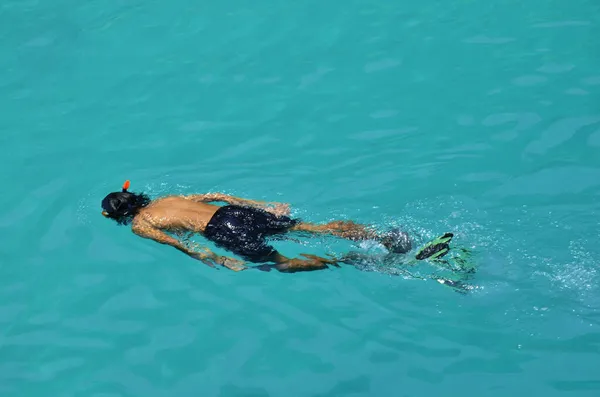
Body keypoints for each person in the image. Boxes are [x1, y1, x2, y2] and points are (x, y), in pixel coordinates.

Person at [101, 180, 432, 273]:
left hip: (222, 231)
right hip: (237, 213)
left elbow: (179, 244)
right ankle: (384, 236)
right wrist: (263, 206)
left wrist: (215, 259)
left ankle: (349, 261)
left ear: (116, 216)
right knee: (313, 228)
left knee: (281, 264)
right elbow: (215, 194)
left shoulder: (141, 225)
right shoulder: (167, 198)